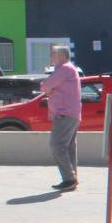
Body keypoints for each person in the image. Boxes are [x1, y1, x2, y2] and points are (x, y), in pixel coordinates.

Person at [39, 45, 81, 191]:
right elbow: (49, 88)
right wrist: (50, 90)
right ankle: (72, 178)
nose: (50, 56)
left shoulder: (64, 69)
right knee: (68, 148)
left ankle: (69, 178)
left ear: (62, 55)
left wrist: (48, 89)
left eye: (53, 53)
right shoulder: (67, 69)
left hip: (64, 114)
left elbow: (46, 86)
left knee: (57, 145)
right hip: (70, 114)